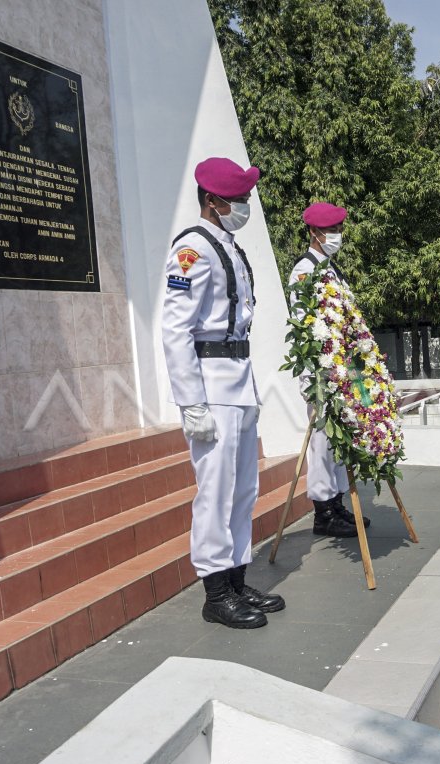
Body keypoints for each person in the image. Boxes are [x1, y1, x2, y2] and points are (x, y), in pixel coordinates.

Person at [161, 156, 284, 629]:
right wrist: (190, 401)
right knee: (215, 491)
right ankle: (215, 593)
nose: (244, 205)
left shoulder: (226, 245)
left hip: (239, 380)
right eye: (238, 199)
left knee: (243, 489)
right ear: (212, 201)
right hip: (211, 387)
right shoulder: (192, 250)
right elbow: (175, 330)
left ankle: (235, 577)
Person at [288, 202, 369, 537]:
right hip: (322, 373)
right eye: (329, 230)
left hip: (343, 370)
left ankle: (336, 504)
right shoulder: (304, 271)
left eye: (338, 229)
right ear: (313, 233)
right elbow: (304, 328)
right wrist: (314, 379)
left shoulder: (331, 269)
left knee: (338, 439)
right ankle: (323, 512)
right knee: (322, 441)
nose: (335, 235)